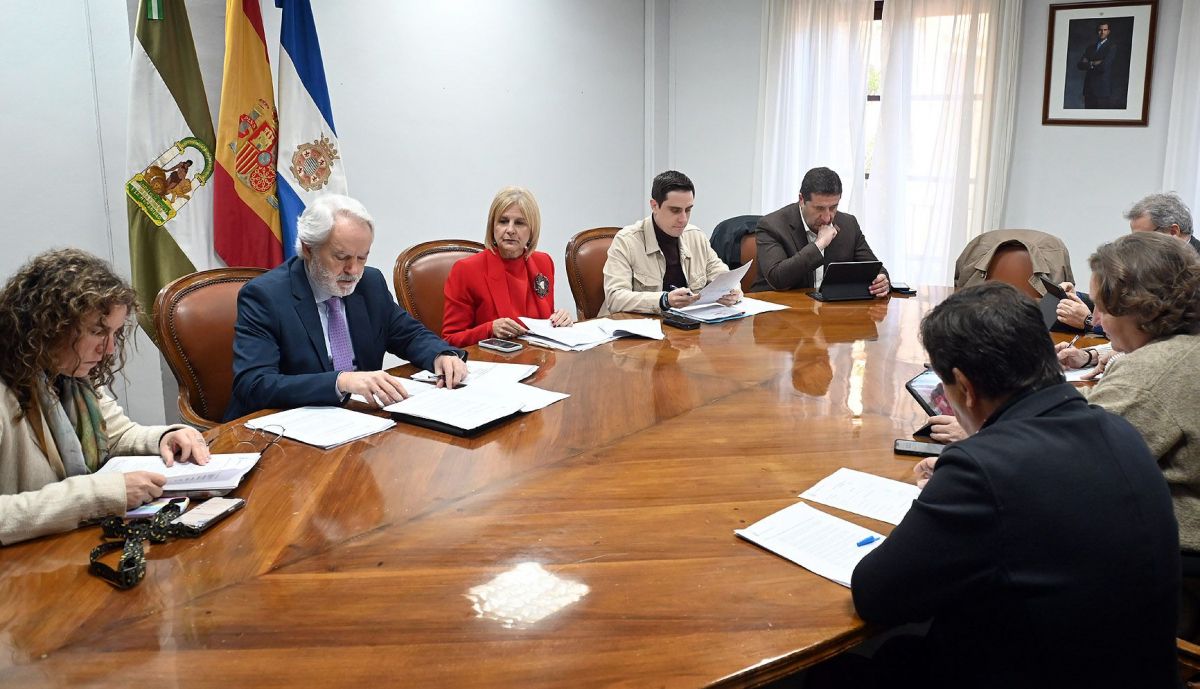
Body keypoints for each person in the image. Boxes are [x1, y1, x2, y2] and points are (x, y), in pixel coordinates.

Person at [851, 282, 1179, 688]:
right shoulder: (1119, 430)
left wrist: (943, 499)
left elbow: (875, 597)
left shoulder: (982, 470)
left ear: (965, 387)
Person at [0, 249, 210, 545]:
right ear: (49, 326)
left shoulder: (66, 374)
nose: (109, 350)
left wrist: (165, 438)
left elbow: (117, 435)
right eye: (98, 332)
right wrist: (99, 495)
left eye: (114, 333)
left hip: (61, 546)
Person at [227, 194, 468, 421]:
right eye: (341, 257)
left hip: (361, 421)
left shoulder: (369, 283)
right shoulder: (265, 296)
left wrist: (441, 355)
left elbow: (408, 334)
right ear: (309, 248)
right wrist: (340, 382)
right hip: (289, 428)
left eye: (362, 257)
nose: (353, 270)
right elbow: (254, 384)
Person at [1055, 233, 1200, 554]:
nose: (1095, 319)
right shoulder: (1185, 348)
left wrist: (986, 432)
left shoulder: (1150, 372)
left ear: (1140, 308)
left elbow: (1069, 463)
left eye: (1102, 308)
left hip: (1163, 551)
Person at [442, 186, 572, 346]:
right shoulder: (466, 270)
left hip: (539, 361)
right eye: (503, 221)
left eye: (519, 223)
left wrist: (559, 319)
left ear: (532, 230)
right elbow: (450, 340)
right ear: (492, 226)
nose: (510, 230)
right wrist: (489, 329)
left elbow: (543, 323)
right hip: (492, 362)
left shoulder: (543, 262)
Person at [599, 170, 740, 316]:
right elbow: (615, 298)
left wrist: (733, 292)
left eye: (688, 210)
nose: (683, 219)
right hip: (641, 329)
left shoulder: (696, 236)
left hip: (687, 327)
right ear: (654, 206)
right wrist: (663, 300)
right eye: (675, 210)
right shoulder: (626, 241)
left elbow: (723, 275)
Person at [1057, 192, 1198, 333]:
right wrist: (1077, 299)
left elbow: (1161, 330)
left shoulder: (1194, 270)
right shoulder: (1157, 259)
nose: (1135, 245)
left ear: (1173, 232)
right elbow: (1128, 304)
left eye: (1142, 237)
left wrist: (1089, 321)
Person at [751, 166, 889, 296]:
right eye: (819, 208)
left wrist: (881, 279)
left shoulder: (848, 224)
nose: (827, 217)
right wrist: (820, 244)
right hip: (778, 311)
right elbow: (778, 278)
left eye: (833, 207)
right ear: (801, 199)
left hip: (828, 312)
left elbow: (874, 267)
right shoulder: (771, 225)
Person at [1077, 21, 1118, 109]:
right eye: (1100, 30)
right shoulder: (1090, 48)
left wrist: (1088, 63)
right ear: (1097, 31)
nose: (1102, 32)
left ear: (1108, 32)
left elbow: (1103, 67)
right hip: (1088, 89)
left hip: (1102, 90)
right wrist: (1093, 63)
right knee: (1087, 118)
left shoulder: (1111, 47)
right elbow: (1080, 65)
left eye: (1105, 30)